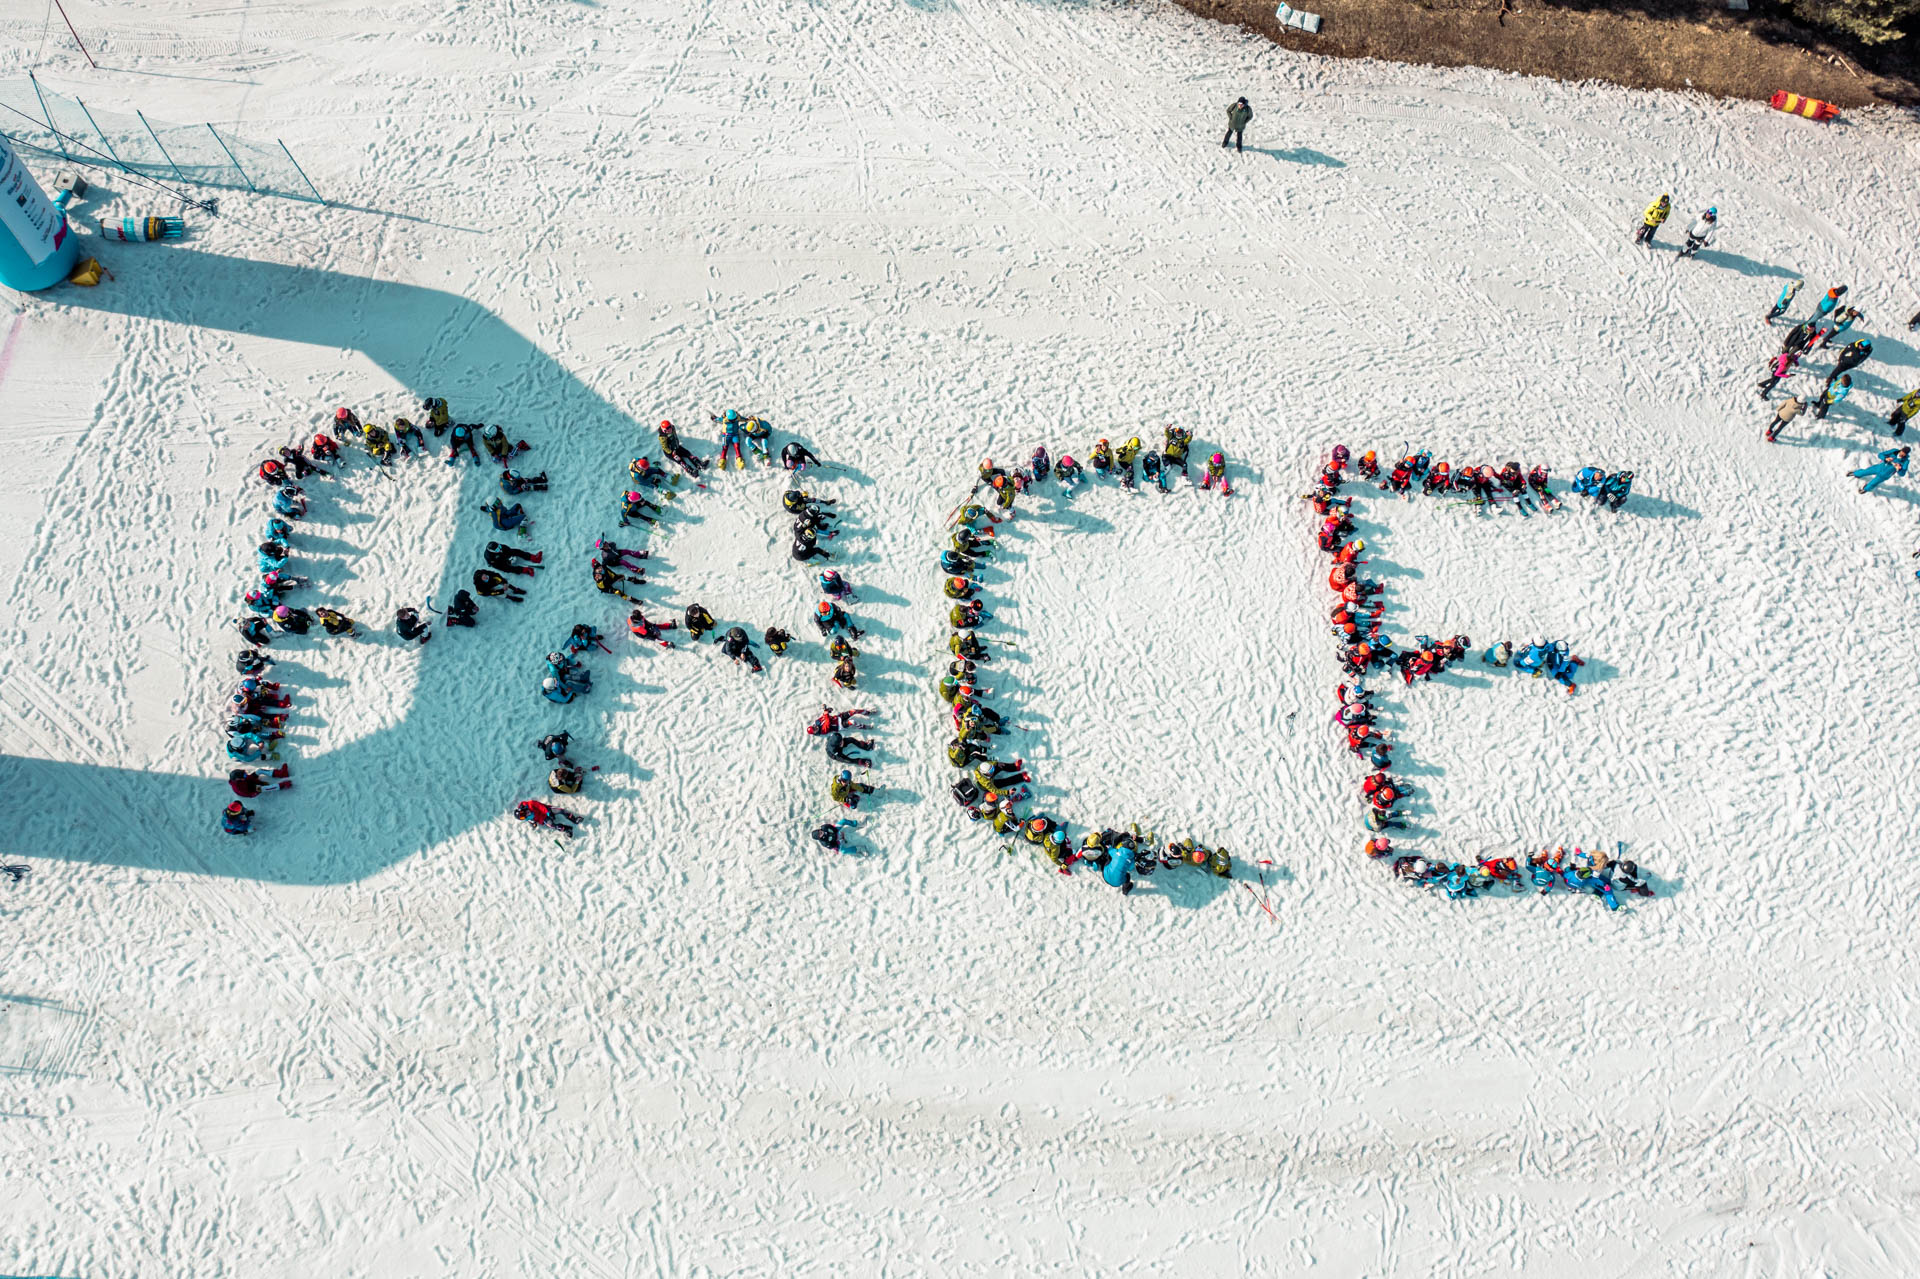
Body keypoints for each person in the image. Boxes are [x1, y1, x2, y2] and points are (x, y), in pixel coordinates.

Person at [514, 799, 580, 837]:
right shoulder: (527, 817)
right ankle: (567, 829)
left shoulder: (531, 803)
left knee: (561, 811)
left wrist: (548, 813)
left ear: (523, 809)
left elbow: (540, 806)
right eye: (524, 816)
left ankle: (574, 819)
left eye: (524, 813)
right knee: (553, 826)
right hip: (543, 818)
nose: (526, 814)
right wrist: (533, 824)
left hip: (547, 810)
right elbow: (531, 821)